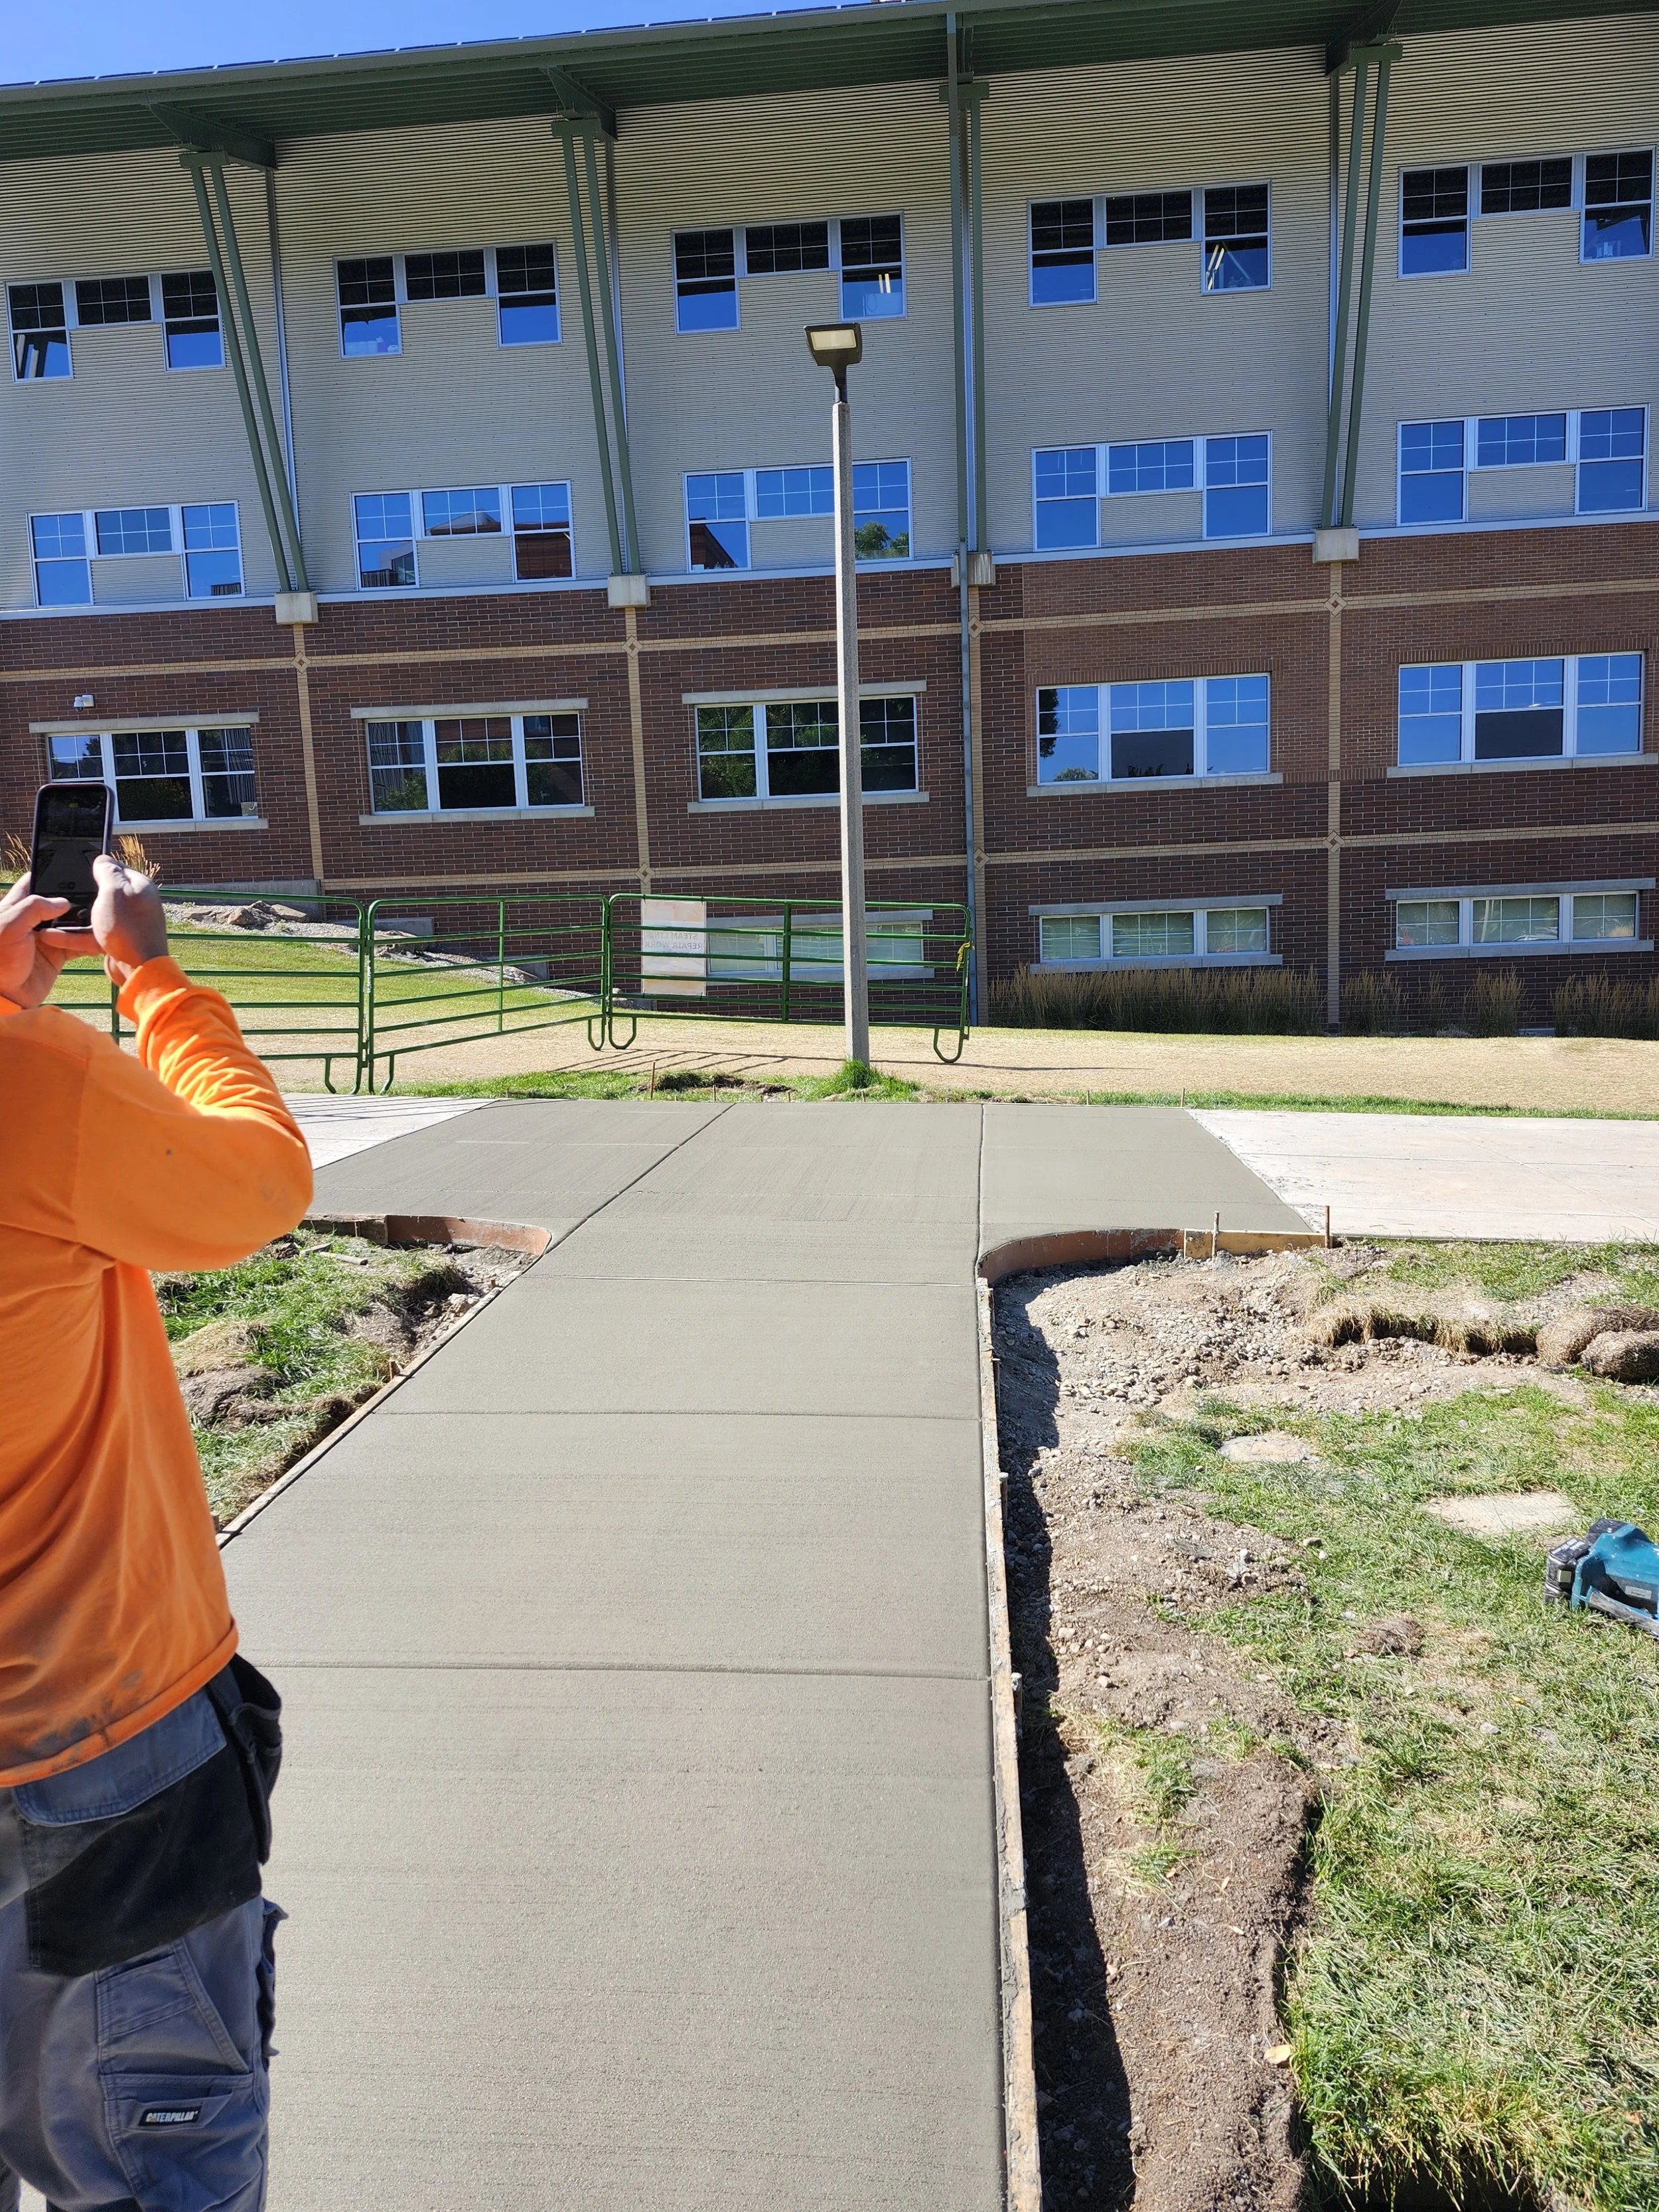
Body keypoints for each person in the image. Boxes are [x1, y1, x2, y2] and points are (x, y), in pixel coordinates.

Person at [0, 855, 313, 2212]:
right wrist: (151, 977)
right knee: (150, 2164)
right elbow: (257, 1183)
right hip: (93, 1740)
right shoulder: (26, 1087)